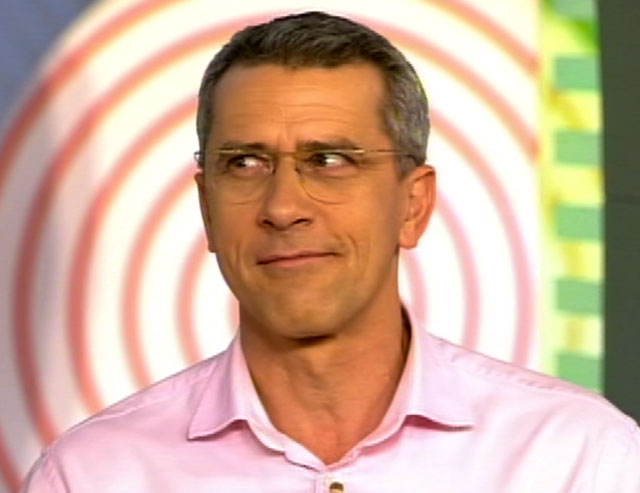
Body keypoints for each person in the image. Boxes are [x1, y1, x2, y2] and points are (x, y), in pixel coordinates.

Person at [22, 11, 640, 493]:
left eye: (329, 160)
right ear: (207, 207)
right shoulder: (93, 474)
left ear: (413, 205)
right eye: (245, 163)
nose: (283, 206)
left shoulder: (580, 456)